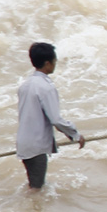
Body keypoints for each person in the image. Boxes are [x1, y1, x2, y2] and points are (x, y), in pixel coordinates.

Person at [17, 41, 84, 190]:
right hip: (36, 147)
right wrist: (75, 134)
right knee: (36, 189)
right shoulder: (46, 87)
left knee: (34, 185)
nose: (55, 64)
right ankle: (33, 211)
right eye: (54, 61)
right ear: (47, 63)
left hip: (24, 143)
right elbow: (56, 119)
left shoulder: (25, 85)